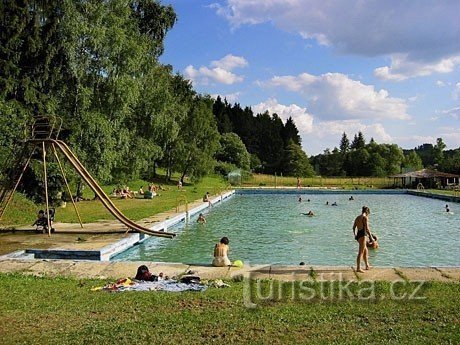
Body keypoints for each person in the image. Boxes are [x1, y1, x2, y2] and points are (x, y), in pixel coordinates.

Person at [353, 206, 373, 273]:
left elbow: (353, 227)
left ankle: (367, 265)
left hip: (359, 235)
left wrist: (355, 235)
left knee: (365, 250)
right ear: (367, 212)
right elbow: (367, 229)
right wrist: (371, 237)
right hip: (363, 235)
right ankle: (358, 268)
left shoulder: (357, 217)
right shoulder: (365, 217)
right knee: (361, 252)